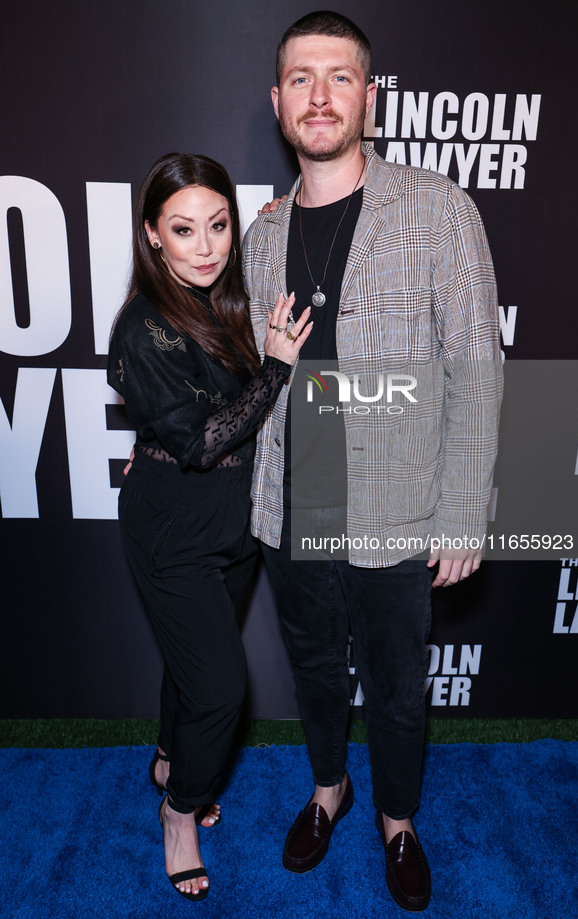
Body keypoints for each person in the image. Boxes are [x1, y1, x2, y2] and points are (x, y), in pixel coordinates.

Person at [242, 11, 503, 912]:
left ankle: (397, 818)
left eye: (340, 76)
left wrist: (465, 508)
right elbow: (260, 373)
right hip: (293, 499)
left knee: (395, 687)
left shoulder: (437, 209)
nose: (320, 95)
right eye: (302, 78)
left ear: (369, 97)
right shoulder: (262, 234)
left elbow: (475, 362)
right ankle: (328, 790)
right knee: (315, 670)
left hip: (400, 502)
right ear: (278, 103)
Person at [107, 152, 311, 901]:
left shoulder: (227, 292)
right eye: (184, 229)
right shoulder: (142, 326)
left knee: (189, 668)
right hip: (172, 527)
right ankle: (177, 810)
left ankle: (169, 756)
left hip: (235, 520)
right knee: (223, 687)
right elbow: (202, 439)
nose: (205, 245)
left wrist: (266, 226)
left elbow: (261, 250)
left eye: (218, 225)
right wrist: (277, 368)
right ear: (153, 236)